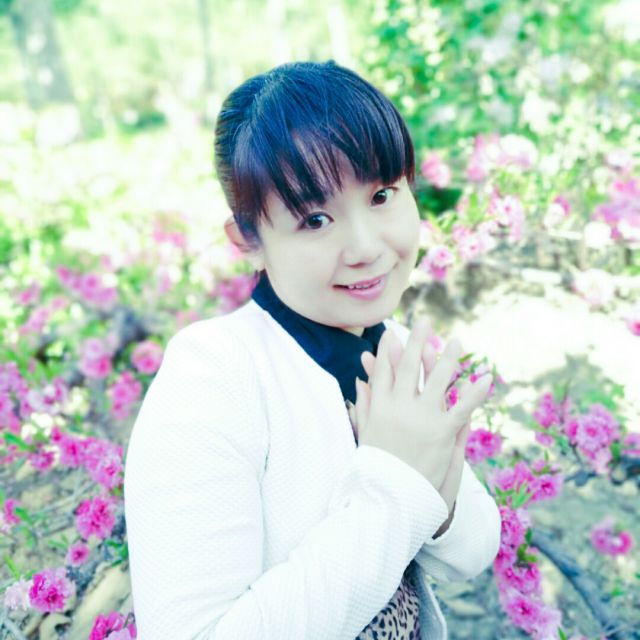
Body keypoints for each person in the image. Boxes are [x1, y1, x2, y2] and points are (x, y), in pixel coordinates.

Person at [124, 60, 501, 640]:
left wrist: (436, 467)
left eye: (382, 195)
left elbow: (469, 554)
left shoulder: (394, 347)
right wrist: (398, 481)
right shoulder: (214, 375)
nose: (366, 247)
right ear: (250, 240)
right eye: (316, 219)